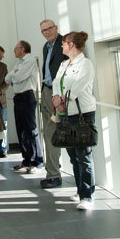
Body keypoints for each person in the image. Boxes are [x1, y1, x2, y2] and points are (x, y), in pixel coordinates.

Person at [52, 31, 96, 210]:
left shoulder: (86, 64)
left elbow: (77, 87)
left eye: (63, 43)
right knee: (72, 155)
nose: (61, 46)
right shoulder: (64, 64)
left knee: (83, 155)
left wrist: (62, 99)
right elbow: (56, 82)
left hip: (82, 114)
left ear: (71, 45)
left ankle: (87, 196)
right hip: (65, 114)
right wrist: (56, 96)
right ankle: (79, 189)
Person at [5, 40, 44, 173]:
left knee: (30, 129)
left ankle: (36, 161)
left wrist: (14, 74)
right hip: (18, 97)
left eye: (16, 48)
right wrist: (14, 74)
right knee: (21, 130)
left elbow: (17, 77)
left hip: (27, 96)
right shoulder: (19, 63)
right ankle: (26, 160)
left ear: (23, 49)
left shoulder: (30, 60)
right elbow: (7, 78)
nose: (14, 51)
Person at [39, 19, 67, 189]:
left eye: (49, 29)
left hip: (58, 94)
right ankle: (52, 172)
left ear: (56, 28)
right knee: (48, 133)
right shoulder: (46, 47)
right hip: (46, 90)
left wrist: (60, 96)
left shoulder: (64, 44)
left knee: (53, 133)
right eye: (43, 30)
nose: (47, 32)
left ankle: (54, 175)